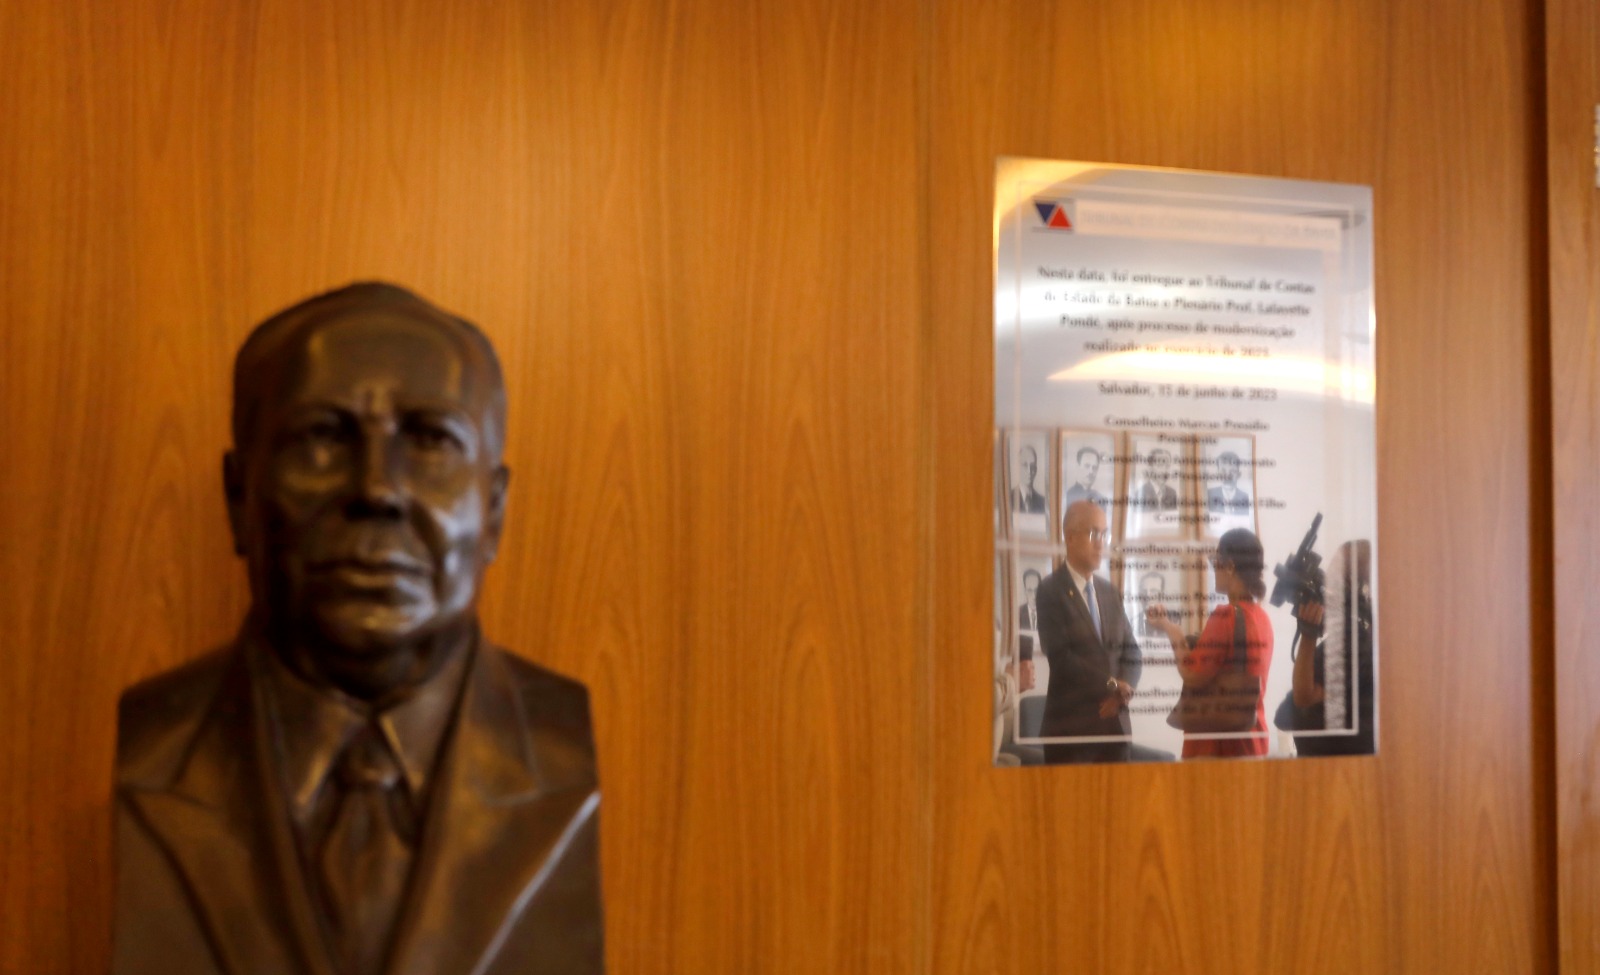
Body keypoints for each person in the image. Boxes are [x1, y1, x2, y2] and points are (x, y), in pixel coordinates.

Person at [114, 284, 603, 975]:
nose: (377, 489)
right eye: (322, 436)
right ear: (238, 497)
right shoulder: (157, 748)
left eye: (431, 440)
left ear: (494, 510)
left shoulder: (559, 749)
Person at [1148, 527, 1273, 759]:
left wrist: (1171, 629)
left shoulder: (1226, 615)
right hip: (1252, 740)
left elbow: (1192, 674)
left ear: (1230, 566)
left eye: (1216, 561)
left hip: (1216, 748)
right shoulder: (1262, 618)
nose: (1213, 568)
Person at [1035, 500, 1142, 763]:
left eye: (1105, 535)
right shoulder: (1050, 590)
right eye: (1094, 533)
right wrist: (1111, 684)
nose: (1101, 543)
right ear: (1070, 537)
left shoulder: (1109, 591)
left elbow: (1132, 652)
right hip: (1072, 734)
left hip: (1115, 730)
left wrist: (1120, 695)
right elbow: (1061, 658)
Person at [1277, 540, 1376, 756]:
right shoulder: (1366, 629)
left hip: (1335, 764)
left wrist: (1308, 634)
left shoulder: (1355, 637)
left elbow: (1304, 696)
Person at [1015, 568, 1041, 691]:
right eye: (1030, 590)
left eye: (1037, 590)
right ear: (1025, 591)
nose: (1034, 595)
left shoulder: (1050, 614)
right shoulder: (1017, 613)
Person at [1009, 444, 1046, 513]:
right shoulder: (1008, 498)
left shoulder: (1042, 502)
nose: (1029, 471)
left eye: (1032, 465)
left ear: (1036, 469)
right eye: (1025, 465)